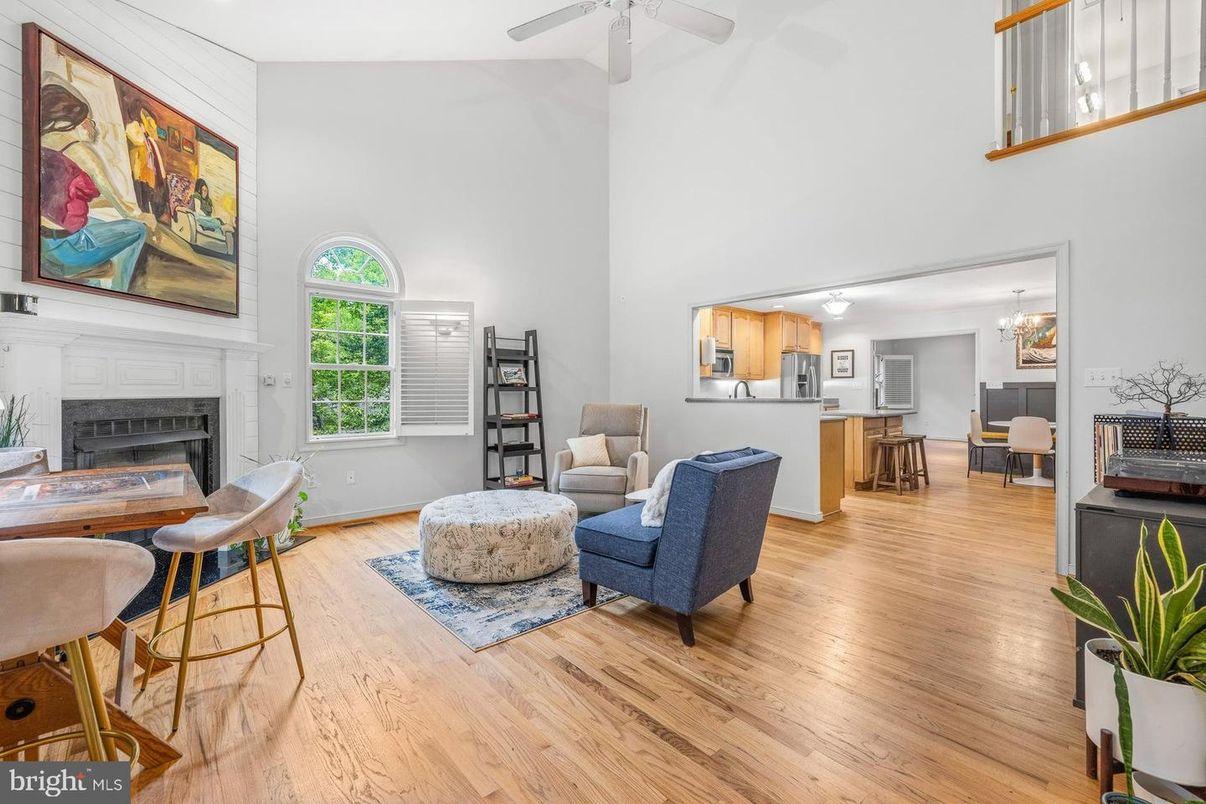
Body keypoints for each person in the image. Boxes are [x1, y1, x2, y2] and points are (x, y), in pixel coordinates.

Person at [39, 83, 149, 293]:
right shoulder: (80, 151)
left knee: (97, 223)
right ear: (74, 122)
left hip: (43, 245)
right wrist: (139, 215)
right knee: (137, 229)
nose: (92, 125)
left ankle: (95, 285)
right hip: (67, 251)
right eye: (88, 120)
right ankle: (118, 292)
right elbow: (123, 206)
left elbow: (60, 196)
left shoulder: (41, 146)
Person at [125, 104, 166, 218]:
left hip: (149, 171)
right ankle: (144, 215)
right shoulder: (132, 128)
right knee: (141, 195)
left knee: (151, 193)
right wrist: (143, 131)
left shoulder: (149, 139)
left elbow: (154, 135)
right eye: (145, 117)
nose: (149, 121)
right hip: (139, 170)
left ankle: (151, 215)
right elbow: (137, 140)